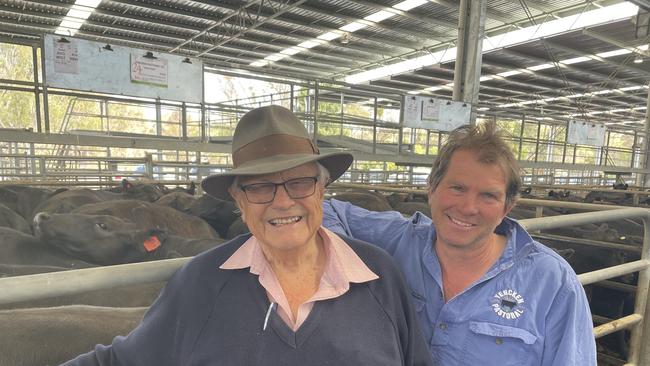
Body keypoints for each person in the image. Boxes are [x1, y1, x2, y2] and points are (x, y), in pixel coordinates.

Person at [62, 105, 434, 366]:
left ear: (322, 191)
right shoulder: (201, 283)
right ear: (238, 200)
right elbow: (120, 362)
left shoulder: (378, 276)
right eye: (259, 188)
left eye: (299, 183)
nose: (282, 202)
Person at [323, 122, 597, 365]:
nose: (468, 207)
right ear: (431, 188)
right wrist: (345, 266)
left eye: (488, 196)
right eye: (457, 188)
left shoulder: (552, 282)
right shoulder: (401, 239)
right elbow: (325, 207)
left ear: (507, 207)